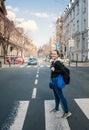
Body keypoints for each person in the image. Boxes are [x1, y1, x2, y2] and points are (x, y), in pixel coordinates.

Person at [50, 50, 71, 118]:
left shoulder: (58, 62)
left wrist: (54, 70)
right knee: (56, 96)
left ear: (57, 55)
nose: (53, 55)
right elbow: (54, 68)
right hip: (53, 80)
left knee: (61, 96)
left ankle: (67, 112)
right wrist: (51, 67)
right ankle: (56, 108)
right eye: (52, 54)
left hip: (56, 81)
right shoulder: (54, 62)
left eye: (54, 54)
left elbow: (63, 71)